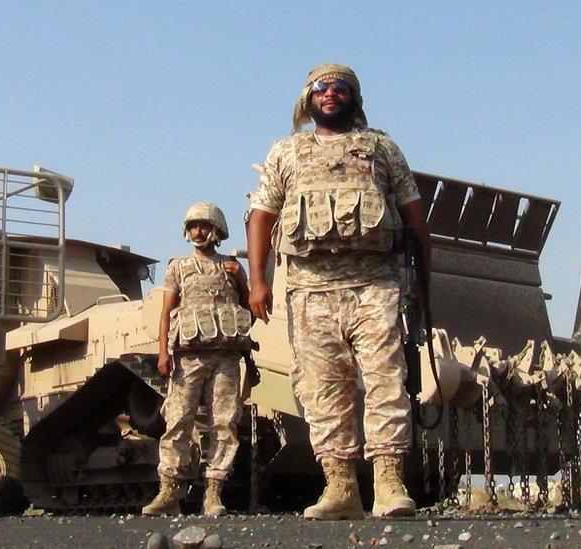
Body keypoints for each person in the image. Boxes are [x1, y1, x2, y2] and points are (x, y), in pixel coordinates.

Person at [246, 63, 431, 519]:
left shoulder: (382, 149)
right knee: (322, 389)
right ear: (307, 99)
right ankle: (340, 487)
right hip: (310, 291)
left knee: (386, 380)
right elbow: (262, 217)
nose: (331, 93)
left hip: (377, 285)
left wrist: (424, 286)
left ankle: (389, 483)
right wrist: (258, 279)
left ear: (355, 97)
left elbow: (415, 221)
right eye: (321, 87)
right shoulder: (286, 153)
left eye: (341, 87)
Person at [142, 202, 253, 517]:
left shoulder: (231, 267)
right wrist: (163, 352)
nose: (198, 232)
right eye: (192, 226)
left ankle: (213, 494)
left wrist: (242, 279)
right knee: (177, 421)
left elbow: (249, 310)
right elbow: (165, 313)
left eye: (204, 226)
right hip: (188, 358)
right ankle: (168, 493)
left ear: (217, 230)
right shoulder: (178, 267)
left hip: (226, 358)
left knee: (224, 424)